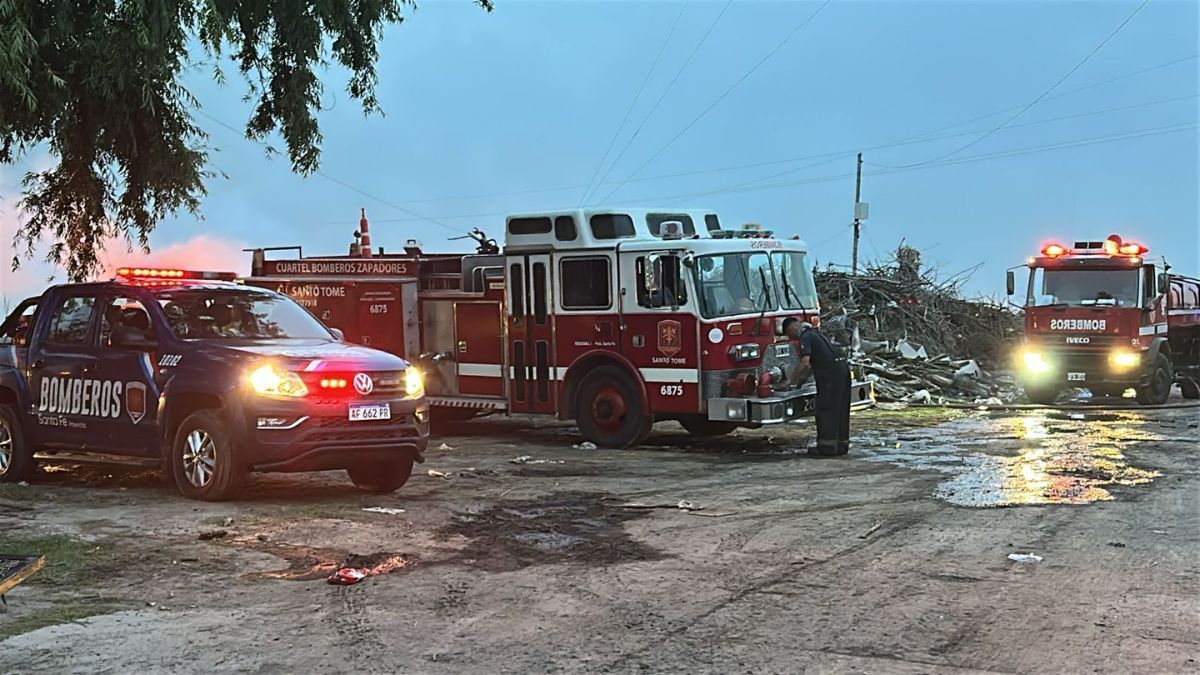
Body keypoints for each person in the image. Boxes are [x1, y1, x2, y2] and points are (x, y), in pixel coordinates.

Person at [784, 317, 851, 456]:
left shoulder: (805, 336)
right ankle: (841, 446)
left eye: (789, 333)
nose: (791, 336)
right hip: (842, 371)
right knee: (840, 409)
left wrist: (790, 381)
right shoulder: (816, 334)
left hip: (830, 376)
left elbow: (805, 363)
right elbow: (813, 364)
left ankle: (826, 448)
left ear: (793, 326)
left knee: (826, 410)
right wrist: (801, 381)